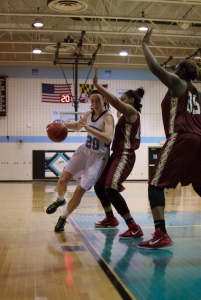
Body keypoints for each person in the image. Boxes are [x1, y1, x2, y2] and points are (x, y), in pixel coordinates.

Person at [138, 28, 201, 249]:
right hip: (198, 140)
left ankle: (161, 233)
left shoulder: (178, 83)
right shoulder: (196, 92)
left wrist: (144, 44)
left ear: (182, 73)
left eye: (176, 68)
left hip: (181, 136)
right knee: (199, 184)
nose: (173, 70)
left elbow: (155, 67)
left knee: (155, 184)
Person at [46, 89, 114, 232]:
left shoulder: (107, 117)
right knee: (62, 179)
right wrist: (58, 124)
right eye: (92, 100)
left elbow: (108, 137)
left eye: (98, 100)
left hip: (98, 157)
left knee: (78, 192)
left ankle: (63, 218)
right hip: (84, 151)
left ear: (104, 100)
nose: (95, 103)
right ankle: (60, 200)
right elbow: (78, 126)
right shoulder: (88, 114)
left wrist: (89, 128)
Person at [93, 67, 145, 239]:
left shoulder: (132, 112)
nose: (120, 102)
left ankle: (133, 226)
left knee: (111, 188)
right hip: (116, 154)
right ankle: (110, 218)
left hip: (125, 155)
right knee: (99, 185)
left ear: (131, 100)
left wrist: (97, 86)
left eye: (123, 99)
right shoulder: (125, 115)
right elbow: (115, 105)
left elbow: (114, 101)